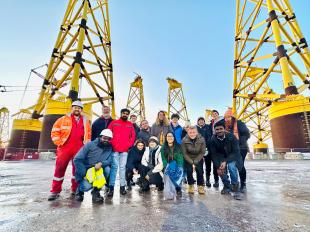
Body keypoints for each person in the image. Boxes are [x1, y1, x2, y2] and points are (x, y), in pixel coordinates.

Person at [48, 101, 91, 201]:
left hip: (79, 148)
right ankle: (55, 191)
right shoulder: (62, 119)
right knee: (59, 168)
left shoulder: (86, 121)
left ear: (81, 110)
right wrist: (59, 142)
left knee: (77, 170)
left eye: (79, 108)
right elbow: (54, 131)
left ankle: (75, 190)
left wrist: (86, 147)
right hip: (65, 147)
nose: (77, 109)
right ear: (72, 108)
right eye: (75, 107)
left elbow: (88, 135)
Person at [73, 129, 114, 203]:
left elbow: (110, 160)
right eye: (104, 138)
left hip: (99, 168)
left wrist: (101, 163)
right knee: (87, 186)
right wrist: (83, 174)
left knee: (107, 170)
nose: (106, 140)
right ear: (100, 137)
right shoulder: (90, 145)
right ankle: (79, 191)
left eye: (108, 139)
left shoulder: (109, 147)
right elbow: (77, 159)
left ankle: (96, 192)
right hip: (86, 169)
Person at [210, 121, 243, 199]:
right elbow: (214, 154)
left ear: (224, 129)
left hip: (232, 156)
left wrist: (226, 161)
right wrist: (218, 166)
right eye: (217, 129)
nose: (219, 131)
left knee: (231, 167)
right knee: (220, 170)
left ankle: (235, 186)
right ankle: (227, 186)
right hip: (221, 157)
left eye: (221, 129)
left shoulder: (232, 137)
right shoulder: (213, 139)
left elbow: (236, 152)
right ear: (214, 131)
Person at [107, 108, 136, 197]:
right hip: (114, 149)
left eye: (127, 114)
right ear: (121, 113)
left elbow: (133, 136)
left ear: (128, 115)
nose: (125, 115)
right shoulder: (114, 123)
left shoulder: (130, 124)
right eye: (124, 113)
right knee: (114, 168)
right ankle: (111, 188)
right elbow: (108, 133)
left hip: (124, 150)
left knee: (122, 168)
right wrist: (112, 143)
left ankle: (122, 187)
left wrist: (129, 145)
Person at [223, 108, 250, 192]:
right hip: (231, 150)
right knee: (231, 166)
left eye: (229, 117)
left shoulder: (239, 124)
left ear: (233, 117)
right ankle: (234, 184)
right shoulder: (225, 126)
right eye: (225, 117)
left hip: (241, 148)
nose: (227, 119)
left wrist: (239, 143)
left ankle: (243, 184)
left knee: (240, 165)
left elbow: (247, 134)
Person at [182, 126, 206, 194]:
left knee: (200, 171)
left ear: (196, 132)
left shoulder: (202, 139)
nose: (192, 134)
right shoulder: (184, 140)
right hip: (188, 157)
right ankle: (190, 185)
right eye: (190, 132)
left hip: (198, 157)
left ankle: (200, 186)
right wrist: (191, 162)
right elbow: (184, 153)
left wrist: (196, 161)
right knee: (189, 171)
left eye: (193, 132)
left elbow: (202, 152)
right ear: (188, 133)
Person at [196, 117, 219, 188]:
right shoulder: (195, 128)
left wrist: (206, 146)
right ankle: (207, 180)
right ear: (198, 122)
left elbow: (210, 136)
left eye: (202, 120)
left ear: (204, 121)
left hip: (209, 149)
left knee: (214, 165)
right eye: (199, 121)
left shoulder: (208, 127)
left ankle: (216, 180)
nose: (201, 121)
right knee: (205, 166)